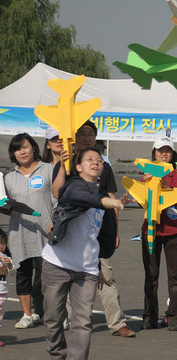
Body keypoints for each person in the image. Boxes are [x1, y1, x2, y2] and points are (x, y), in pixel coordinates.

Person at [42, 146, 129, 360]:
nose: (95, 162)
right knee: (53, 319)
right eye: (89, 159)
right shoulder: (73, 188)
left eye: (99, 160)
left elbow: (97, 237)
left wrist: (97, 265)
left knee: (82, 322)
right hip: (57, 263)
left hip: (86, 270)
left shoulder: (102, 196)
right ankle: (57, 355)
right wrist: (113, 203)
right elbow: (89, 199)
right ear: (79, 166)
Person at [51, 121, 136, 337]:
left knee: (105, 275)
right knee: (69, 274)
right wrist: (62, 165)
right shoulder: (66, 163)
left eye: (91, 134)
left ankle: (117, 323)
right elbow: (56, 192)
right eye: (82, 133)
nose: (87, 137)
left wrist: (114, 230)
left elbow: (111, 197)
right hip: (69, 228)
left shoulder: (102, 166)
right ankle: (73, 320)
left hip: (96, 229)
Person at [4, 133, 55, 328]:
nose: (22, 152)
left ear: (33, 147)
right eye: (17, 149)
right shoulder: (9, 177)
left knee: (46, 276)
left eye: (25, 147)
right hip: (19, 233)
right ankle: (27, 314)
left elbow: (56, 198)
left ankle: (45, 312)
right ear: (13, 154)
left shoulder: (48, 169)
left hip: (45, 232)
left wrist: (55, 221)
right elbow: (6, 205)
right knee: (23, 274)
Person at [141, 137, 177, 331]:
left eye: (167, 151)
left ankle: (174, 316)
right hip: (151, 230)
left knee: (175, 277)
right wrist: (146, 184)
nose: (164, 153)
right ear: (153, 153)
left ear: (173, 154)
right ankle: (149, 317)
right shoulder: (147, 175)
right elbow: (140, 202)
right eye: (160, 150)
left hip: (174, 231)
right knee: (150, 275)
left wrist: (167, 187)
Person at [0, 228, 14, 347]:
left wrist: (9, 265)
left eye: (3, 243)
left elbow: (13, 273)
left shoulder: (6, 258)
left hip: (3, 291)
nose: (1, 246)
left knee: (0, 315)